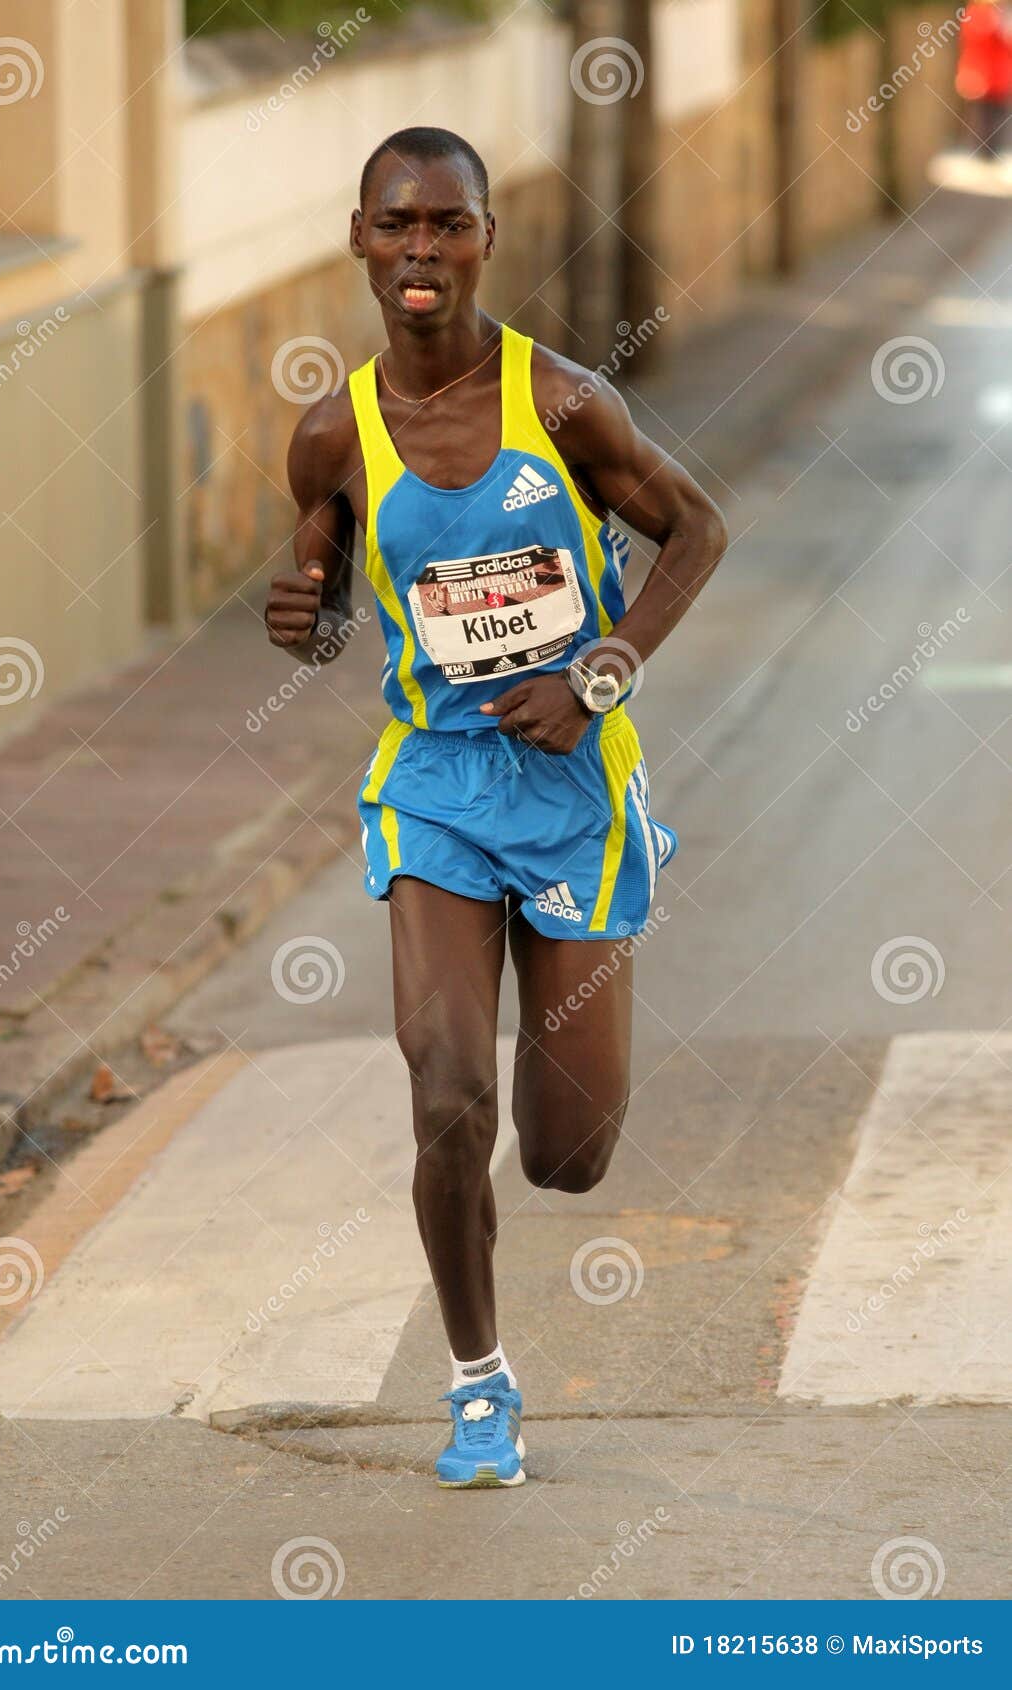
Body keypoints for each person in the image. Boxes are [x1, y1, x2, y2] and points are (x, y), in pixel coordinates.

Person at [265, 128, 727, 1488]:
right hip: (438, 788)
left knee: (567, 1155)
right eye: (398, 224)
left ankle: (550, 1142)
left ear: (482, 240)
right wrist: (300, 617)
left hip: (575, 790)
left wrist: (600, 671)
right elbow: (320, 605)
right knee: (447, 1088)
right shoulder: (331, 430)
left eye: (448, 224)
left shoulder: (564, 402)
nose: (422, 250)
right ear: (358, 236)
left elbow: (696, 527)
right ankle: (478, 1386)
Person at [956, 0, 1012, 157]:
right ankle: (982, 155)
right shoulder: (977, 14)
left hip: (1000, 80)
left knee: (998, 119)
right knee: (982, 120)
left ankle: (993, 154)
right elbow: (976, 38)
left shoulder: (1003, 17)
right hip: (981, 79)